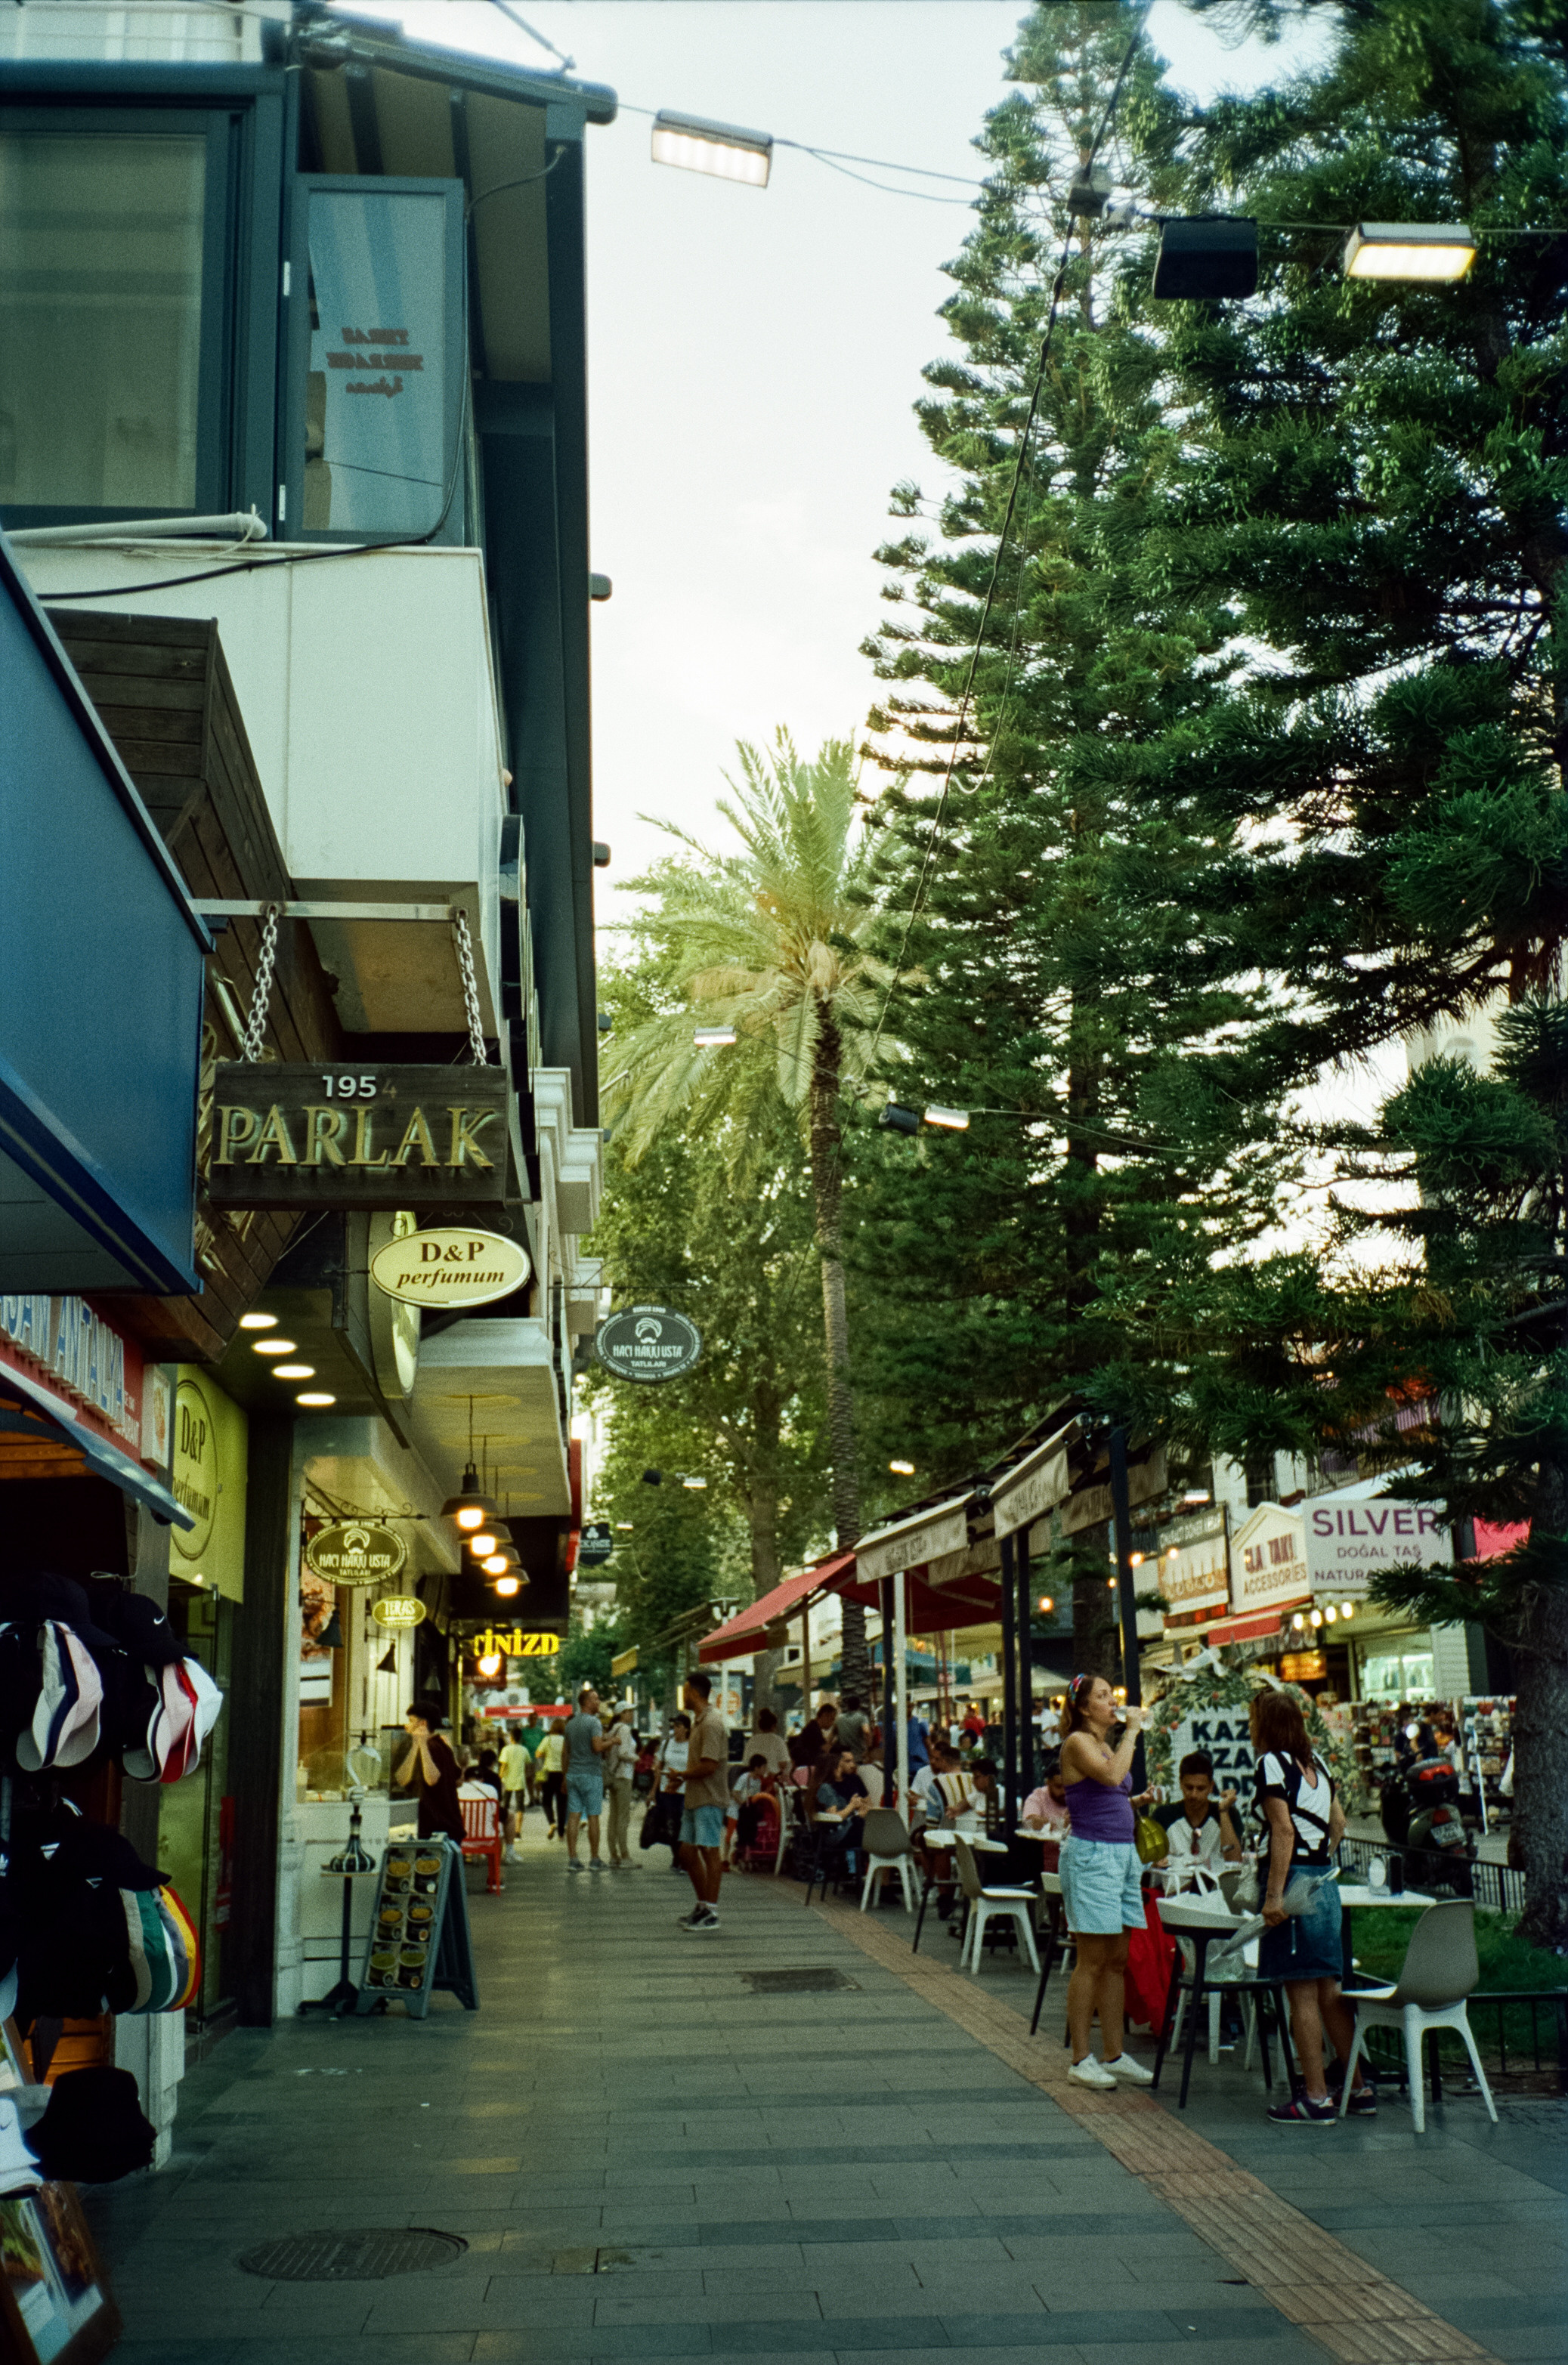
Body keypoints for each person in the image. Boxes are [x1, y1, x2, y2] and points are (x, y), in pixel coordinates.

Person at [1252, 1689, 1372, 2123]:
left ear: (1264, 1724)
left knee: (1300, 1992)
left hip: (1296, 1884)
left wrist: (1274, 1896)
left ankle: (1316, 2095)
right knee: (1330, 1992)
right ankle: (1358, 2087)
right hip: (1325, 1881)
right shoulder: (1316, 1762)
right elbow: (1338, 1823)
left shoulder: (1271, 1764)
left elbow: (1282, 1832)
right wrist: (1319, 1855)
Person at [1059, 1671, 1155, 2089]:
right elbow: (1114, 1775)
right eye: (1103, 1696)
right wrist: (1133, 1730)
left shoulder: (1102, 1744)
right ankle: (1081, 2058)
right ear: (1084, 1708)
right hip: (1093, 1857)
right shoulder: (1078, 1742)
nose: (1113, 1702)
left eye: (1112, 1694)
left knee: (1117, 1959)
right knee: (1092, 1959)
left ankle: (1113, 2053)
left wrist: (1134, 1803)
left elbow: (1111, 1791)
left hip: (1120, 1855)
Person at [678, 1670, 728, 1933]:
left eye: (685, 1690)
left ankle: (712, 1911)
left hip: (709, 1796)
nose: (683, 1694)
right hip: (695, 1797)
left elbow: (709, 1765)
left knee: (710, 1852)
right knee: (687, 1851)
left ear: (695, 1693)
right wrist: (683, 1779)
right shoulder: (698, 1722)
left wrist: (683, 1775)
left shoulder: (711, 1723)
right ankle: (702, 1904)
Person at [1153, 1751, 1243, 1875]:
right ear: (1181, 1784)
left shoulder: (1228, 1814)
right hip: (1175, 1889)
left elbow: (1234, 1860)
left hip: (1216, 1889)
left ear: (1211, 1786)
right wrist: (1155, 1861)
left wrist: (1223, 1811)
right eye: (1189, 1788)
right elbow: (1148, 1862)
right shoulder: (1164, 1815)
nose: (1194, 1795)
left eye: (1201, 1788)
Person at [393, 1698, 464, 1843]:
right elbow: (402, 1779)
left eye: (412, 1721)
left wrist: (422, 1745)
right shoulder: (441, 1745)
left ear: (423, 1724)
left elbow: (432, 1779)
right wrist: (416, 1745)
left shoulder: (434, 1747)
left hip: (436, 1826)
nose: (407, 1726)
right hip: (443, 1824)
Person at [561, 1685, 612, 1874]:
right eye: (596, 1699)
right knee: (593, 1817)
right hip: (591, 1775)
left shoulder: (571, 1724)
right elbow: (597, 1747)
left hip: (573, 1774)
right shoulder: (594, 1722)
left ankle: (573, 1859)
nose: (599, 1702)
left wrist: (565, 1776)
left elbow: (565, 1753)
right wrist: (612, 1742)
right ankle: (594, 1858)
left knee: (573, 1816)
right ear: (587, 1703)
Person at [815, 1748, 871, 1883]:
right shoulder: (826, 1789)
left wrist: (859, 1808)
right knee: (874, 1835)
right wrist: (852, 1806)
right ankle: (875, 1878)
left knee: (872, 1831)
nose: (852, 1765)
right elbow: (834, 1818)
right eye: (839, 1766)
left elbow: (868, 1804)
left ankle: (872, 1875)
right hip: (837, 1834)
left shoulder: (853, 1779)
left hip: (845, 1829)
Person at [604, 1706, 638, 1872]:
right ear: (622, 1713)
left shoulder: (612, 1730)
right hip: (624, 1776)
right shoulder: (624, 1729)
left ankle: (613, 1855)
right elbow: (624, 1753)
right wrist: (637, 1758)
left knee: (613, 1817)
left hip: (612, 1776)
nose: (632, 1714)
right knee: (623, 1818)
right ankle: (625, 1855)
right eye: (629, 1711)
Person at [499, 1732, 530, 1860]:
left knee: (504, 1807)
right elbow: (528, 1764)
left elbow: (504, 1765)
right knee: (520, 1807)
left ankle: (502, 1830)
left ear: (511, 1738)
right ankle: (517, 1832)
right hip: (520, 1782)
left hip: (507, 1781)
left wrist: (499, 1777)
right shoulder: (524, 1749)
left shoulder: (506, 1749)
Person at [1022, 1759, 1070, 1832]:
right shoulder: (1037, 1797)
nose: (1064, 1792)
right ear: (1048, 1783)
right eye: (1058, 1786)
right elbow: (1030, 1822)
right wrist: (1063, 1822)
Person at [537, 1718, 567, 1839]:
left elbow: (538, 1754)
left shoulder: (547, 1739)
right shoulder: (566, 1740)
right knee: (562, 1803)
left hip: (548, 1773)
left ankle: (552, 1822)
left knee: (546, 1801)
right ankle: (561, 1833)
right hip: (562, 1774)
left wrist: (547, 1754)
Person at [749, 1707, 791, 1782]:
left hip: (753, 1779)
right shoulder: (778, 1740)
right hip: (772, 1779)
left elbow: (746, 1762)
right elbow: (783, 1764)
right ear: (773, 1726)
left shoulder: (752, 1740)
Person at [835, 1693, 871, 1764]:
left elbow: (832, 1735)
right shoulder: (862, 1717)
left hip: (844, 1757)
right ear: (859, 1705)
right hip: (858, 1756)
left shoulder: (839, 1718)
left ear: (847, 1706)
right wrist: (868, 1749)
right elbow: (867, 1731)